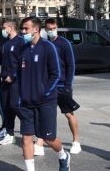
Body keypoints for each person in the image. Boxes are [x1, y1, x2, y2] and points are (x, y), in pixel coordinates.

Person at [13, 17, 71, 171]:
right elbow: (19, 75)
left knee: (48, 138)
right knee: (26, 137)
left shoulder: (48, 47)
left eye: (26, 29)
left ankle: (63, 155)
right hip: (26, 102)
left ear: (36, 29)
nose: (23, 32)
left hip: (45, 101)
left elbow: (56, 73)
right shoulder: (23, 49)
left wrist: (44, 93)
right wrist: (20, 96)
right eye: (22, 29)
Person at [35, 18, 81, 155]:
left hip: (62, 86)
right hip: (48, 86)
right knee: (44, 114)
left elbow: (70, 65)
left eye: (54, 28)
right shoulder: (44, 44)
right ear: (45, 29)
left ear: (57, 27)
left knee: (68, 114)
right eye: (49, 29)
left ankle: (76, 141)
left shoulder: (64, 43)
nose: (52, 31)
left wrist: (68, 85)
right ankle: (40, 143)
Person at [0, 20, 25, 145]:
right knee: (6, 108)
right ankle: (10, 134)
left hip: (16, 81)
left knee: (15, 106)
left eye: (4, 27)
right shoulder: (4, 43)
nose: (2, 30)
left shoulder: (21, 42)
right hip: (4, 81)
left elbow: (23, 62)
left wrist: (13, 76)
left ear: (11, 28)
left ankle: (31, 127)